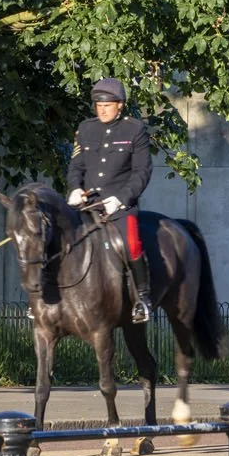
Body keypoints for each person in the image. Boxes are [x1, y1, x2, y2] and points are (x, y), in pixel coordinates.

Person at [67, 77, 155, 322]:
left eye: (107, 105)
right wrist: (74, 188)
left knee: (131, 243)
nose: (102, 109)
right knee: (55, 235)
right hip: (87, 204)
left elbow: (142, 172)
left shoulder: (134, 129)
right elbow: (76, 166)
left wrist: (121, 198)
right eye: (98, 105)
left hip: (118, 206)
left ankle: (142, 300)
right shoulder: (86, 129)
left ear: (120, 105)